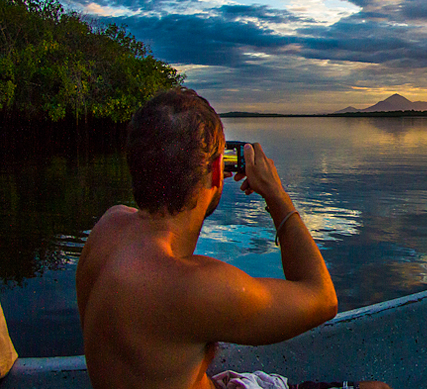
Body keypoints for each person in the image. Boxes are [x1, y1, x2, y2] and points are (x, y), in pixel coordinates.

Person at [76, 88, 390, 389]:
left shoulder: (108, 227)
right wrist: (276, 194)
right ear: (217, 171)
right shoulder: (193, 287)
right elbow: (323, 298)